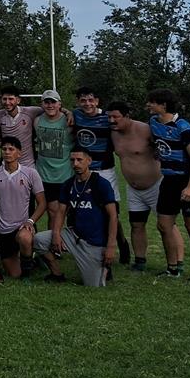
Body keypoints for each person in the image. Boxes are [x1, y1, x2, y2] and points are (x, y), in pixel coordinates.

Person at [147, 89, 190, 283]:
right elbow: (158, 144)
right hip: (168, 181)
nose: (148, 105)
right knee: (164, 225)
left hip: (188, 181)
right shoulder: (154, 124)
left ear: (163, 105)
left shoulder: (183, 127)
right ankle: (172, 269)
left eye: (152, 102)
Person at [34, 147, 118, 286]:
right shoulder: (68, 184)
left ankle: (105, 268)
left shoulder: (101, 184)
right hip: (73, 235)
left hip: (94, 242)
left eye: (80, 160)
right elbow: (61, 212)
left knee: (93, 285)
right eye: (72, 160)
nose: (76, 164)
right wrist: (56, 234)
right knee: (38, 240)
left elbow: (113, 216)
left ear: (89, 161)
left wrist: (110, 246)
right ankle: (56, 273)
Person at [72, 88, 131, 264]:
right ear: (78, 102)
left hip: (105, 171)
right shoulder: (76, 115)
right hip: (83, 170)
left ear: (97, 101)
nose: (87, 104)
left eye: (91, 100)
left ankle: (121, 242)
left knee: (111, 212)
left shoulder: (107, 118)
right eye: (83, 100)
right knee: (81, 209)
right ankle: (85, 246)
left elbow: (125, 125)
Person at [108, 102, 163, 271]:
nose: (111, 120)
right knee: (137, 225)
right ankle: (140, 261)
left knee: (166, 225)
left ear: (127, 115)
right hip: (133, 189)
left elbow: (166, 147)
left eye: (115, 117)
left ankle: (175, 264)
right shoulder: (113, 133)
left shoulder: (145, 129)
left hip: (156, 186)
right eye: (109, 117)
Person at [0, 137, 46, 281]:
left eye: (11, 149)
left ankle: (27, 276)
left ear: (19, 153)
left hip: (22, 226)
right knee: (13, 273)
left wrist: (31, 221)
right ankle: (32, 261)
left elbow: (42, 203)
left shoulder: (30, 173)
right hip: (2, 229)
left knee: (25, 237)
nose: (7, 152)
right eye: (4, 149)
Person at [33, 90, 74, 212]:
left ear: (59, 104)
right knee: (52, 211)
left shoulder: (69, 121)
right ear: (42, 104)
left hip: (65, 175)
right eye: (47, 102)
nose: (50, 105)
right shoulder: (37, 121)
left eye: (53, 102)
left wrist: (68, 112)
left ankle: (63, 232)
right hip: (44, 175)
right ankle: (53, 232)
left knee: (67, 211)